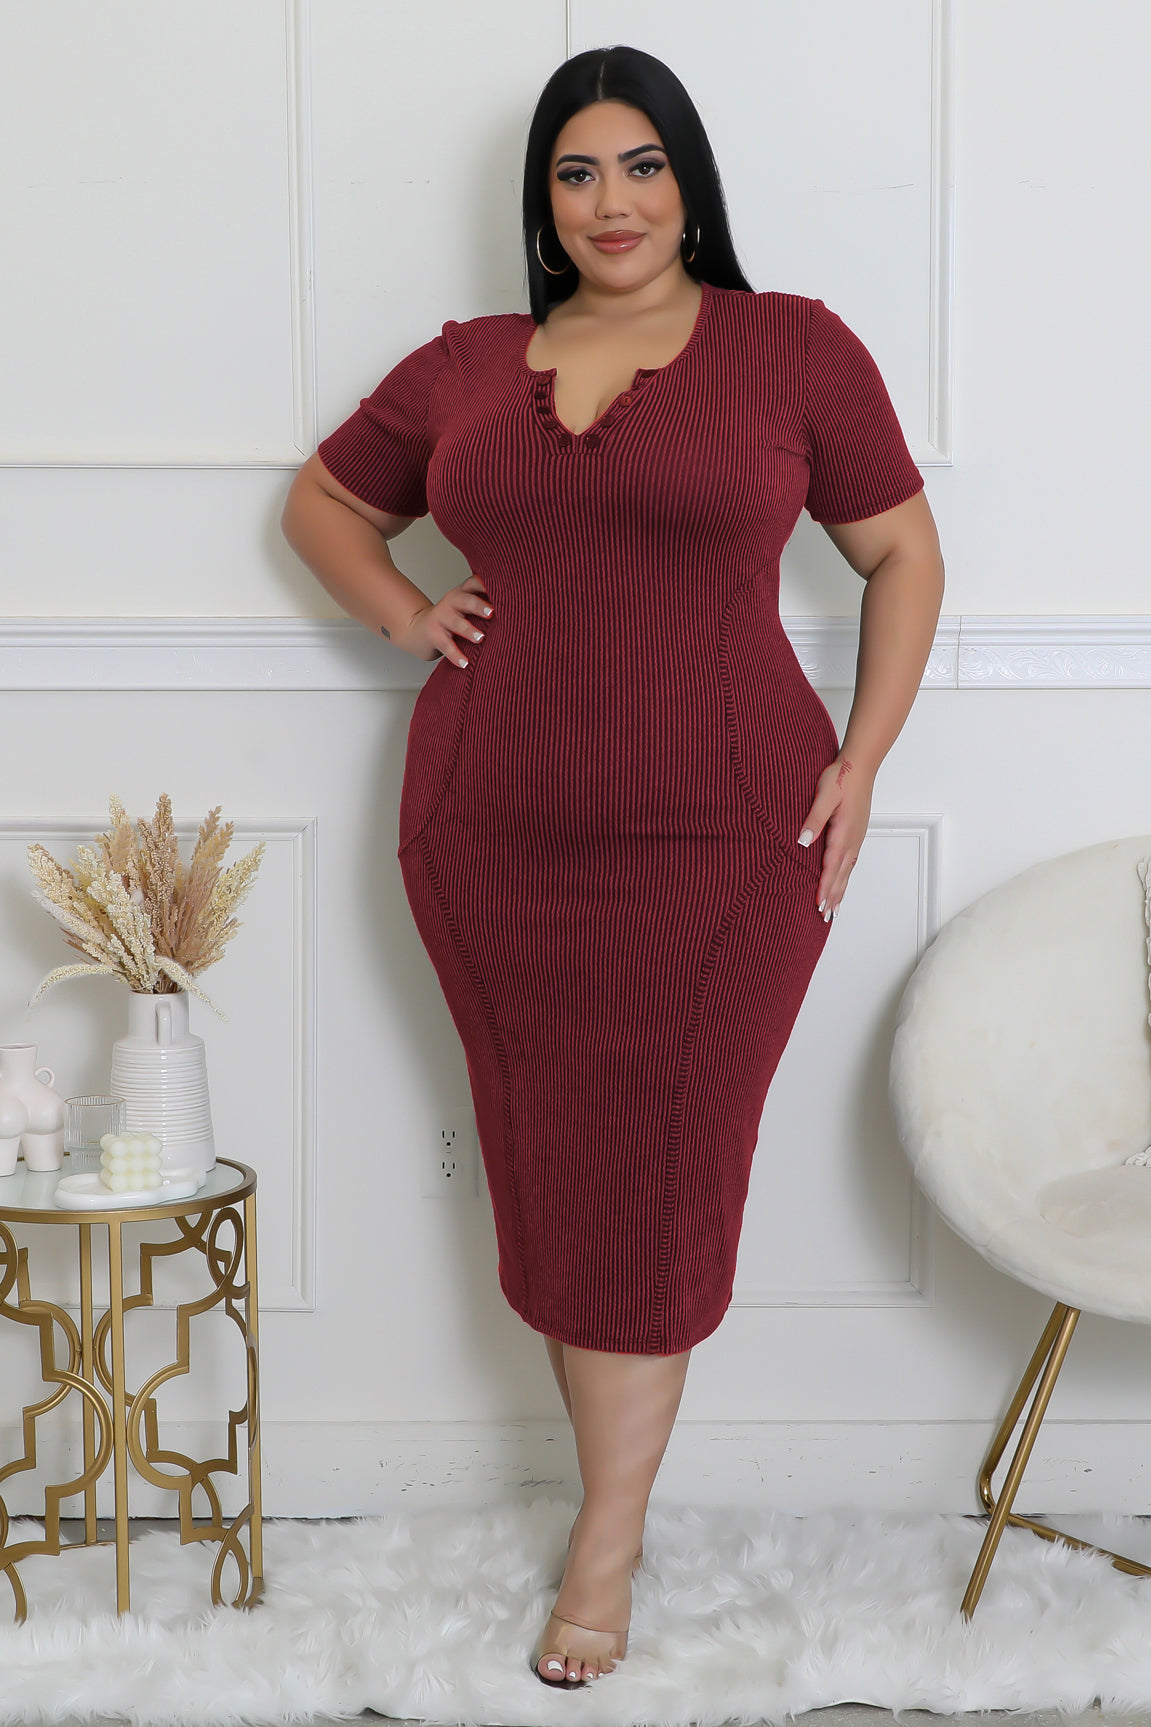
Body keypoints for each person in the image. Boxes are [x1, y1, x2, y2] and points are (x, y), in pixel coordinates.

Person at [281, 43, 945, 1691]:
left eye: (642, 165)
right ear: (544, 202)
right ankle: (611, 1517)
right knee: (557, 1168)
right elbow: (323, 505)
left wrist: (864, 760)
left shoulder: (793, 349)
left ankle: (603, 1551)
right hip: (493, 848)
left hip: (729, 850)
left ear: (690, 182)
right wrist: (406, 613)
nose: (612, 201)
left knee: (663, 1173)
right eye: (576, 173)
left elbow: (902, 555)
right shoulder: (463, 366)